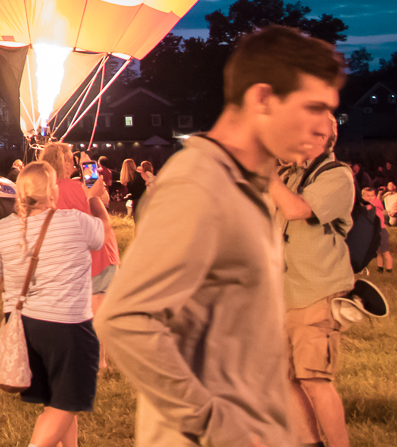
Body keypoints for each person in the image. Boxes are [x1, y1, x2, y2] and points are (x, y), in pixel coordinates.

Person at [99, 25, 344, 447]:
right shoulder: (200, 185)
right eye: (313, 107)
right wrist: (217, 426)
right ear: (262, 99)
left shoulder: (247, 186)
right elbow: (124, 319)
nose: (324, 126)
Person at [0, 161, 106, 447]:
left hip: (24, 327)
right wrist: (95, 197)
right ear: (52, 191)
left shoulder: (2, 229)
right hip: (68, 326)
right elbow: (103, 235)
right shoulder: (74, 220)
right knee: (69, 403)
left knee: (55, 400)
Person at [270, 120, 354, 447]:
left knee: (314, 378)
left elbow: (296, 209)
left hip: (317, 291)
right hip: (282, 294)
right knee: (285, 377)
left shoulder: (336, 175)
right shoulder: (289, 175)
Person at [39, 141, 119, 359]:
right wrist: (89, 167)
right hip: (98, 256)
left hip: (66, 260)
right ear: (64, 162)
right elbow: (102, 198)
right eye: (72, 160)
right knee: (97, 311)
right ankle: (99, 360)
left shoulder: (42, 192)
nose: (74, 165)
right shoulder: (77, 188)